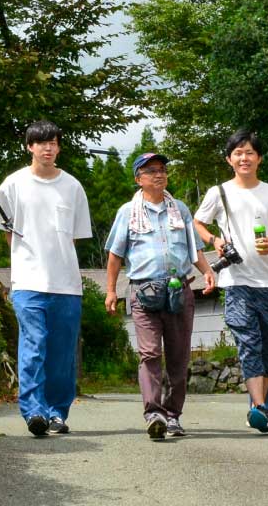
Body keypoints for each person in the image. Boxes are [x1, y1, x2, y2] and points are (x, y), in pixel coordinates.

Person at [104, 152, 217, 440]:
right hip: (144, 291)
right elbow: (115, 255)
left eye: (163, 170)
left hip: (179, 289)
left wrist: (207, 272)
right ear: (138, 178)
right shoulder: (127, 212)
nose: (159, 174)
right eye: (151, 170)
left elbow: (194, 250)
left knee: (179, 357)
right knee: (150, 353)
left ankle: (172, 415)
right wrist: (110, 291)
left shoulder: (179, 209)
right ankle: (154, 413)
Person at [0, 120, 92, 438]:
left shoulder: (73, 187)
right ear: (29, 147)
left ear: (59, 147)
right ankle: (33, 411)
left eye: (53, 142)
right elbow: (8, 234)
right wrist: (26, 262)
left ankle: (57, 413)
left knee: (61, 354)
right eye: (41, 142)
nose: (48, 147)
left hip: (66, 283)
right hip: (27, 283)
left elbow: (73, 238)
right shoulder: (12, 185)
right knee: (33, 345)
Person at [192, 129, 268, 434]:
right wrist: (214, 240)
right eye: (238, 153)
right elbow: (197, 221)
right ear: (229, 159)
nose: (244, 157)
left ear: (259, 158)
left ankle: (258, 403)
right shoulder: (218, 192)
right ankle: (260, 407)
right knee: (249, 343)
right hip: (236, 282)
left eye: (250, 152)